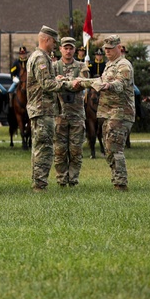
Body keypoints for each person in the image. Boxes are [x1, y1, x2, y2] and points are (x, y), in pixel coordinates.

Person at [77, 35, 134, 191]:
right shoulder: (109, 65)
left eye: (110, 49)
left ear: (119, 48)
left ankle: (121, 184)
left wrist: (109, 85)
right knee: (109, 149)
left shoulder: (124, 65)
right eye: (105, 49)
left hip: (120, 113)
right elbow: (98, 81)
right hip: (108, 113)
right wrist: (73, 80)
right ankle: (117, 179)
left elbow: (120, 83)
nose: (107, 52)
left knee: (115, 149)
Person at [26, 26, 78, 191]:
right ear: (47, 40)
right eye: (54, 42)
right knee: (45, 148)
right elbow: (46, 84)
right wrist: (67, 83)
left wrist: (56, 78)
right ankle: (40, 185)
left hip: (41, 108)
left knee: (39, 146)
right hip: (43, 109)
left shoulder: (39, 56)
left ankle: (37, 182)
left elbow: (45, 80)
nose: (55, 45)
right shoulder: (41, 58)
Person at [53, 37, 89, 187]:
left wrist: (63, 80)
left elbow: (83, 82)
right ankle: (62, 180)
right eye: (65, 48)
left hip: (77, 115)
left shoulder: (82, 66)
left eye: (71, 48)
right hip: (59, 115)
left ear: (75, 50)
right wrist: (62, 80)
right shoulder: (54, 66)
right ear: (60, 49)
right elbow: (48, 82)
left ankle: (73, 180)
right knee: (60, 151)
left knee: (76, 151)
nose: (68, 51)